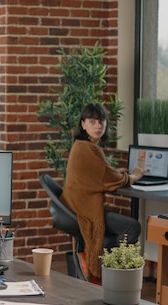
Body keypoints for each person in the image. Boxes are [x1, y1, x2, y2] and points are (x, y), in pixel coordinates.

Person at [59, 103, 146, 280]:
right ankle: (109, 268)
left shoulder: (82, 146)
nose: (98, 126)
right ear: (83, 124)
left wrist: (118, 174)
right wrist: (134, 176)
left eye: (101, 122)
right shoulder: (87, 148)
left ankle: (104, 263)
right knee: (132, 227)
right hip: (83, 211)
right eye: (92, 122)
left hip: (76, 207)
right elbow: (108, 178)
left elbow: (104, 174)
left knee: (123, 227)